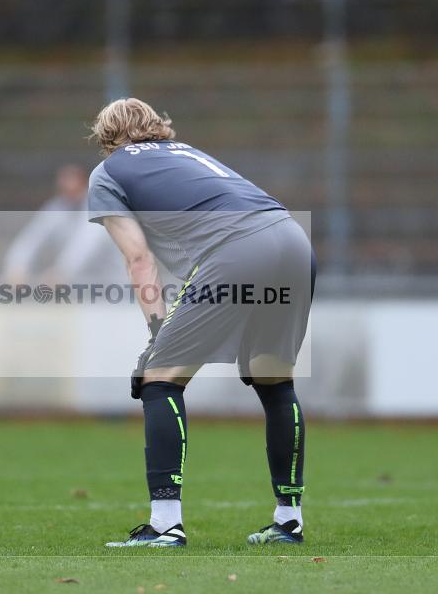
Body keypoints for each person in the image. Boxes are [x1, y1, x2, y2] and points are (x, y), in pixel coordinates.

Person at [87, 99, 316, 548]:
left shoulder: (109, 171)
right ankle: (289, 518)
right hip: (291, 238)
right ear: (157, 128)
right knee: (274, 380)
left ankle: (165, 524)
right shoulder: (186, 153)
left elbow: (139, 258)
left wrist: (157, 336)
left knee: (160, 380)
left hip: (238, 249)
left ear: (107, 138)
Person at [3, 164, 122, 285]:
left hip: (117, 285)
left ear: (85, 184)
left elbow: (86, 245)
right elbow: (31, 238)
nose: (69, 191)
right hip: (83, 289)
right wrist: (17, 267)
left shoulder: (100, 207)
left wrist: (62, 272)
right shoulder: (56, 207)